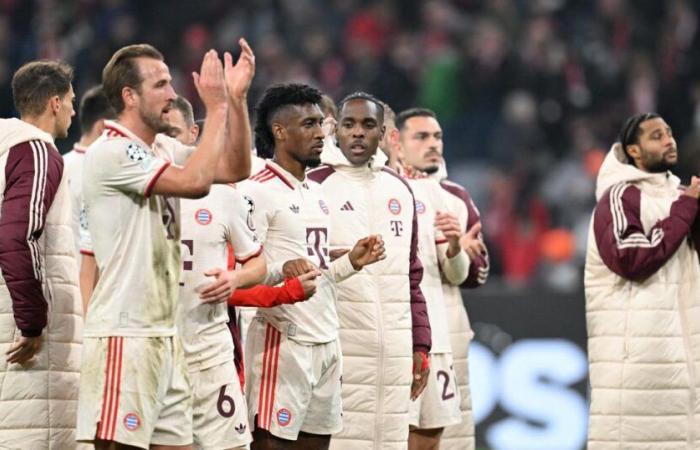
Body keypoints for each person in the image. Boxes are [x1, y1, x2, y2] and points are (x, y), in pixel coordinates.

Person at [76, 39, 255, 450]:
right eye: (160, 85)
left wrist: (236, 100)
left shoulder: (161, 149)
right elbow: (194, 183)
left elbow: (236, 167)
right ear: (129, 96)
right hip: (126, 333)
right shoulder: (113, 152)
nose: (173, 94)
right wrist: (218, 108)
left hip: (165, 335)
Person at [236, 83, 386, 450]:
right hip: (282, 342)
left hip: (326, 340)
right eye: (308, 125)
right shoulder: (254, 192)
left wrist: (350, 262)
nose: (321, 133)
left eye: (321, 123)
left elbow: (313, 274)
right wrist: (278, 270)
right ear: (280, 131)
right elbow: (237, 280)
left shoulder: (315, 191)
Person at [308, 92, 432, 450]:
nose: (357, 133)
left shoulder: (400, 189)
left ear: (382, 133)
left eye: (367, 125)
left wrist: (420, 345)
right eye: (349, 124)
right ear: (336, 131)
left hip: (394, 354)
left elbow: (412, 276)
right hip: (339, 350)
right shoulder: (315, 185)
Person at [585, 113, 700, 449]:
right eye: (656, 136)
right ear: (632, 151)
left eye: (669, 132)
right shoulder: (620, 196)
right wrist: (685, 209)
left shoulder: (681, 197)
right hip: (637, 370)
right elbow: (629, 258)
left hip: (682, 365)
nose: (668, 140)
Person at [395, 107, 489, 450]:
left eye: (437, 136)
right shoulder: (386, 192)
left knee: (449, 434)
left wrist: (454, 248)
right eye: (421, 136)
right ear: (397, 144)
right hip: (403, 327)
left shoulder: (456, 197)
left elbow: (478, 273)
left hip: (450, 329)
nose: (433, 144)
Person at [0, 60, 83, 448]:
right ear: (54, 102)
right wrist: (33, 323)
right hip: (25, 340)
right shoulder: (36, 150)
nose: (73, 109)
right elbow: (19, 236)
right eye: (70, 100)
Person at [62, 85, 117, 310]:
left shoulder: (58, 166)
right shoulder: (109, 173)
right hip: (92, 300)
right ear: (104, 127)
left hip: (59, 293)